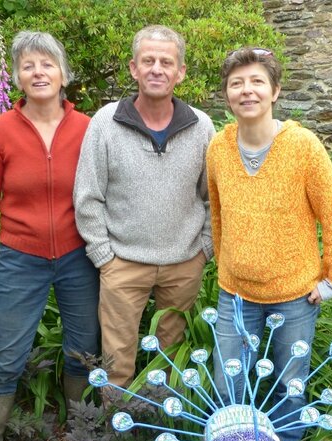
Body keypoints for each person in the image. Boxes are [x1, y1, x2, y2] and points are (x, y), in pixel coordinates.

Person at [206, 47, 332, 441]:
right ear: (227, 95)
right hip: (235, 295)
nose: (246, 90)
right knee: (227, 385)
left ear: (275, 91)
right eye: (237, 83)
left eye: (256, 82)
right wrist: (227, 265)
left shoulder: (303, 146)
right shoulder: (218, 148)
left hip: (294, 297)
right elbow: (218, 215)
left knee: (290, 388)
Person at [0, 31, 100, 441]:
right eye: (27, 66)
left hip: (78, 256)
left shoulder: (89, 128)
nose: (38, 72)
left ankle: (81, 430)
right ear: (19, 78)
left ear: (64, 74)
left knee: (84, 351)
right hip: (19, 258)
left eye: (47, 64)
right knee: (6, 355)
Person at [74, 25, 214, 388]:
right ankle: (117, 432)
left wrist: (205, 249)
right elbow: (88, 195)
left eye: (166, 62)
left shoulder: (202, 127)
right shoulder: (105, 123)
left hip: (184, 263)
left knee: (172, 356)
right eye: (148, 60)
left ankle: (166, 428)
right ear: (133, 68)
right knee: (117, 359)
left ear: (180, 72)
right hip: (123, 262)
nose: (157, 69)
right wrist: (103, 254)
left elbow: (213, 196)